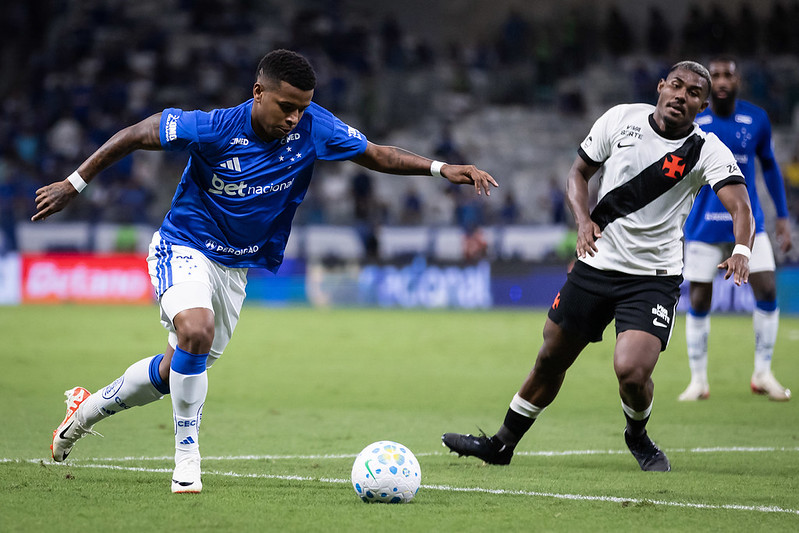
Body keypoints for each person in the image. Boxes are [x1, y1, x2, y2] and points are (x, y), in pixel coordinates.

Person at [33, 49, 498, 493]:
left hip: (235, 268)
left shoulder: (314, 127)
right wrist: (75, 184)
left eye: (302, 108)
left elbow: (376, 154)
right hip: (184, 245)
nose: (294, 117)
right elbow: (139, 132)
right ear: (258, 92)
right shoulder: (214, 127)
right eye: (286, 106)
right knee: (196, 329)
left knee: (179, 367)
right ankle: (187, 460)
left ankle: (84, 411)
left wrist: (441, 169)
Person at [443, 61, 754, 472]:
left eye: (694, 93)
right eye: (676, 85)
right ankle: (502, 445)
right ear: (661, 86)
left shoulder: (706, 150)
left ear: (703, 106)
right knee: (550, 358)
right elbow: (578, 173)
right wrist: (583, 220)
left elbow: (741, 206)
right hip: (597, 264)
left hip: (652, 278)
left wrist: (742, 250)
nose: (682, 96)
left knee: (632, 372)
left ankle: (637, 435)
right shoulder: (620, 119)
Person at [680, 57, 792, 402]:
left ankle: (763, 373)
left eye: (727, 75)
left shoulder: (757, 119)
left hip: (749, 223)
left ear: (737, 80)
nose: (722, 81)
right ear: (707, 83)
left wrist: (782, 216)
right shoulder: (694, 119)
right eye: (715, 75)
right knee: (699, 298)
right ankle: (698, 380)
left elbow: (770, 166)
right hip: (703, 224)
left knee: (767, 288)